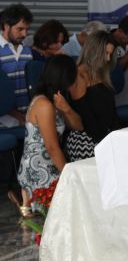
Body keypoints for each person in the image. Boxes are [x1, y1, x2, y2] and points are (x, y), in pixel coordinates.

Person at [16, 55, 83, 217]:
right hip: (38, 168)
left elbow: (78, 126)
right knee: (77, 201)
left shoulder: (55, 99)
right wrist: (68, 175)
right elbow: (52, 148)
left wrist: (66, 109)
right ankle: (28, 201)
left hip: (49, 162)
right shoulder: (44, 104)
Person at [64, 31, 120, 161]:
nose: (108, 59)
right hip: (86, 139)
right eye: (105, 53)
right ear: (93, 51)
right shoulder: (79, 74)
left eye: (110, 54)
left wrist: (116, 137)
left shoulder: (100, 74)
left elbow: (111, 112)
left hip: (102, 135)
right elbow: (84, 114)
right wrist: (106, 142)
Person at [0, 3, 34, 128]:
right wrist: (16, 115)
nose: (24, 34)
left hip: (27, 117)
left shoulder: (27, 51)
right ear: (6, 26)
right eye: (20, 29)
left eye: (27, 29)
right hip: (4, 121)